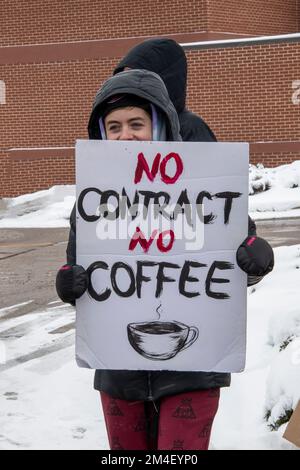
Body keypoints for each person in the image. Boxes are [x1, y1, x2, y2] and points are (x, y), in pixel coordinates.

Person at [56, 69, 274, 450]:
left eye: (137, 123)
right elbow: (79, 269)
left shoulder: (204, 187)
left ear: (160, 126)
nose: (125, 135)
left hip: (193, 370)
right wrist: (68, 282)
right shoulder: (93, 202)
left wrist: (255, 258)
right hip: (119, 371)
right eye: (114, 126)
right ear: (101, 134)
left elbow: (232, 257)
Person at [113, 37, 217, 143]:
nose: (126, 86)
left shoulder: (190, 127)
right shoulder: (118, 125)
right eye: (123, 77)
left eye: (134, 78)